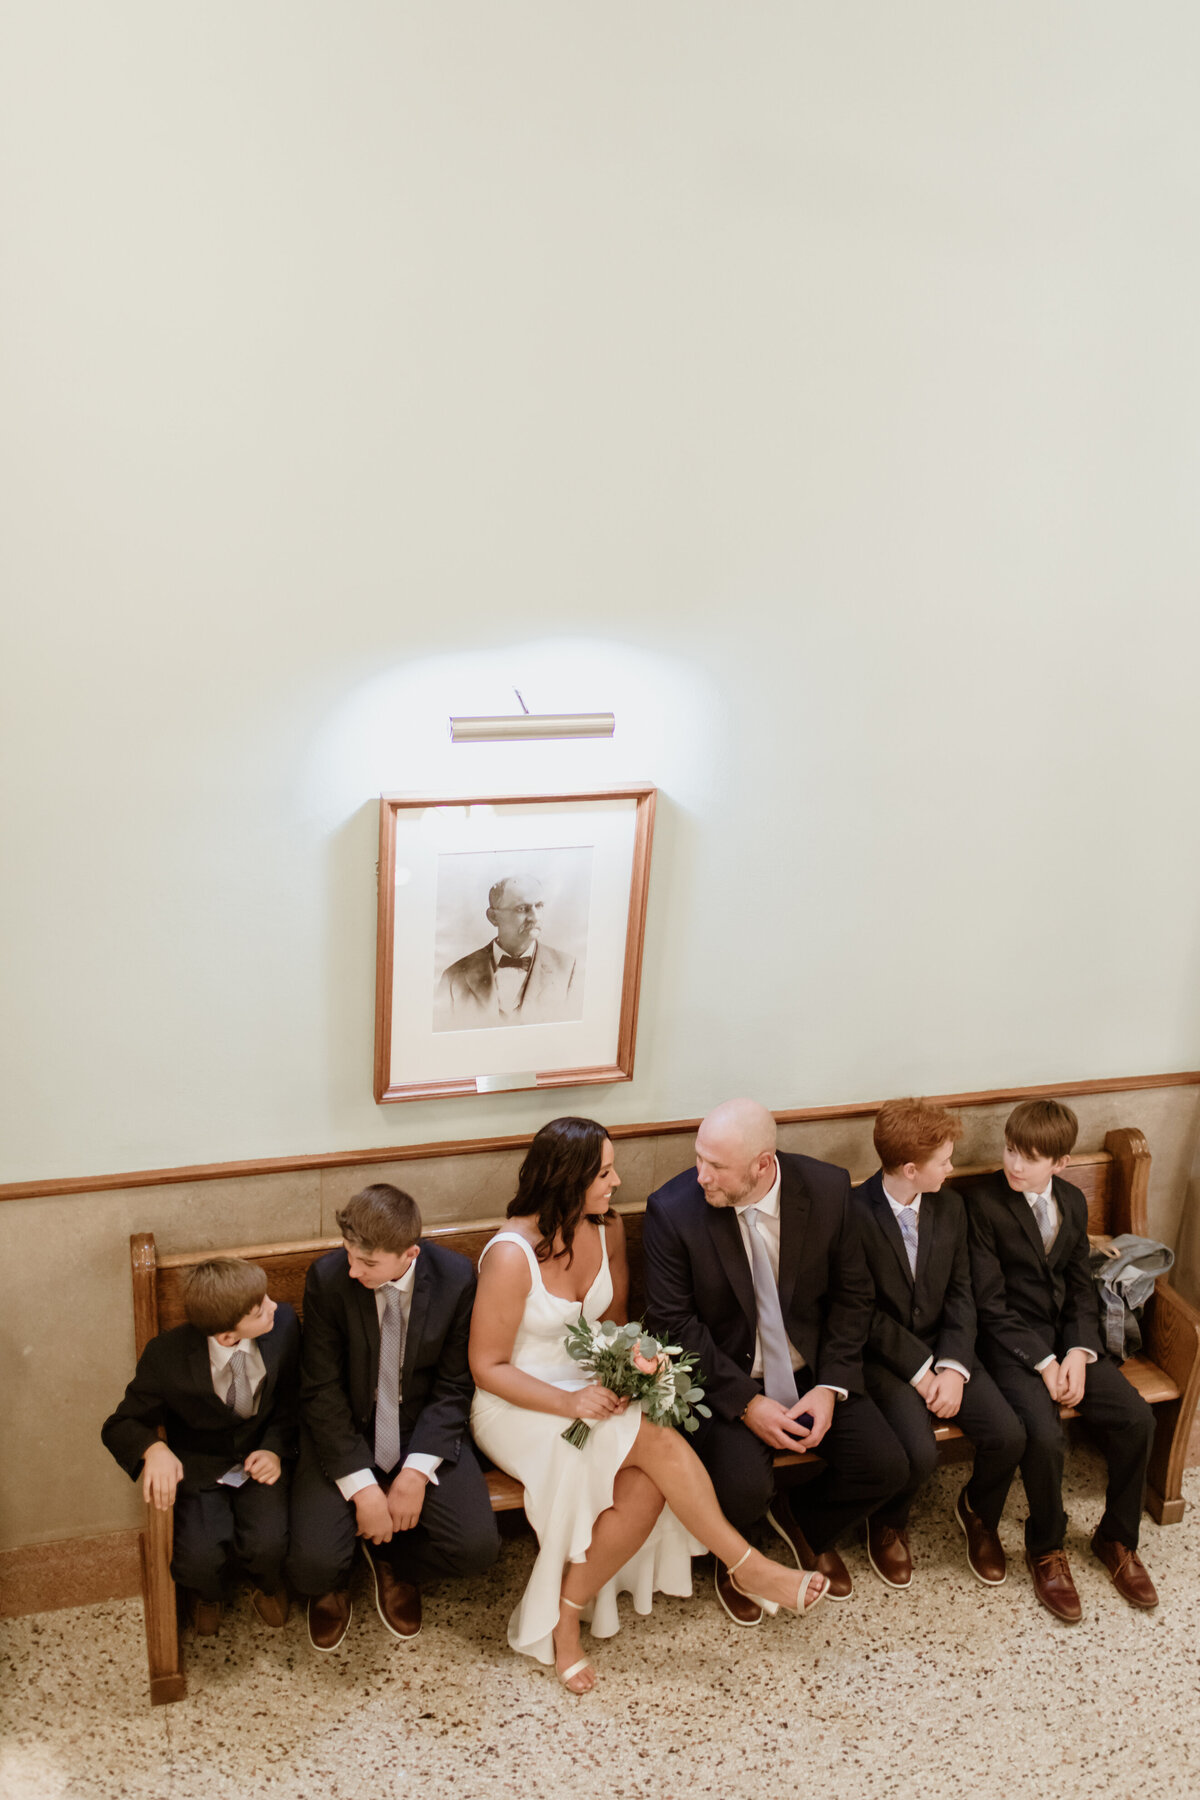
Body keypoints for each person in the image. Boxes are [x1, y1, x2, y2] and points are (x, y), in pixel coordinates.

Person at [469, 1116, 829, 1694]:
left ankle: (565, 1618)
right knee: (658, 1444)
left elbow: (612, 1325)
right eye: (604, 1172)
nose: (616, 1181)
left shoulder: (607, 1229)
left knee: (647, 1482)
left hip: (591, 1390)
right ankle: (748, 1565)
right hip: (518, 1404)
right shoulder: (511, 1255)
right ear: (568, 1179)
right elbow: (487, 1367)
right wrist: (570, 1400)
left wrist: (633, 1366)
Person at [643, 1098, 908, 1621]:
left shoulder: (829, 1189)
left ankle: (805, 1524)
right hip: (726, 1376)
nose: (701, 1176)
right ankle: (737, 1557)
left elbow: (854, 1297)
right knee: (742, 1489)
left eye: (716, 1166)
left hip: (809, 1369)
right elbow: (674, 1325)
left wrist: (831, 1387)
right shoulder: (672, 1211)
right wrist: (745, 1404)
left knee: (886, 1466)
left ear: (763, 1164)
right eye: (699, 1158)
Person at [965, 1099, 1159, 1619]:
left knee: (1137, 1419)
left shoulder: (1072, 1202)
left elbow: (1079, 1288)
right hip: (1009, 1348)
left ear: (1060, 1163)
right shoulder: (983, 1205)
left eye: (1029, 1157)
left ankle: (1116, 1539)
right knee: (1045, 1437)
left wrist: (1076, 1351)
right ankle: (1045, 1547)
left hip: (1067, 1341)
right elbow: (989, 1304)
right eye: (1010, 1150)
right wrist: (1045, 1363)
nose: (1014, 1164)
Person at [286, 1183, 501, 1651]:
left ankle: (394, 1562)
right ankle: (340, 1570)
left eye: (367, 1263)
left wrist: (417, 1473)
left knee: (477, 1549)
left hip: (419, 1425)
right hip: (346, 1427)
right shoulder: (328, 1279)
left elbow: (454, 1384)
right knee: (311, 1568)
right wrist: (363, 1488)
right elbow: (320, 1391)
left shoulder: (456, 1278)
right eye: (348, 1254)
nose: (352, 1269)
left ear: (410, 1254)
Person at [853, 1098, 1025, 1589]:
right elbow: (862, 1313)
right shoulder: (852, 1214)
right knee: (919, 1452)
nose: (952, 1168)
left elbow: (962, 1292)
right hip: (887, 1359)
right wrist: (922, 1373)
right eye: (944, 1161)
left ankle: (978, 1509)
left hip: (948, 1346)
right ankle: (889, 1520)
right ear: (911, 1169)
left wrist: (952, 1367)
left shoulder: (951, 1206)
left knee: (1008, 1435)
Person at [101, 1257, 299, 1635]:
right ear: (227, 1334)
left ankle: (267, 1585)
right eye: (261, 1309)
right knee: (199, 1557)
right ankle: (207, 1594)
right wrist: (153, 1449)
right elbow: (120, 1423)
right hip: (201, 1463)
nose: (275, 1306)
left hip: (261, 1456)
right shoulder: (167, 1356)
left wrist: (275, 1447)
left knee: (270, 1542)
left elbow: (291, 1401)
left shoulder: (284, 1325)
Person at [435, 873, 577, 1029]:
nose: (535, 917)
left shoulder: (567, 968)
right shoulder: (454, 977)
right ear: (493, 917)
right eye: (522, 909)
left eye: (539, 906)